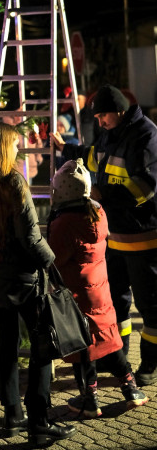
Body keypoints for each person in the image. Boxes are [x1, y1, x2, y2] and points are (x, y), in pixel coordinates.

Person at [0, 121, 75, 446]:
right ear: (2, 148)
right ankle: (39, 423)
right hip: (21, 278)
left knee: (7, 345)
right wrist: (54, 263)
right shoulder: (11, 181)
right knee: (42, 347)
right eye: (15, 145)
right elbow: (30, 237)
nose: (19, 150)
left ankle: (12, 416)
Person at [50, 84, 157, 387]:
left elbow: (146, 187)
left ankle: (149, 364)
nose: (99, 123)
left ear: (119, 112)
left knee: (150, 306)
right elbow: (94, 157)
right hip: (116, 236)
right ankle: (117, 359)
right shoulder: (114, 133)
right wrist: (64, 150)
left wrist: (101, 193)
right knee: (116, 305)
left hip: (144, 237)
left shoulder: (146, 136)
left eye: (102, 117)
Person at [47, 159, 148, 417]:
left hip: (78, 295)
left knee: (83, 347)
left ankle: (89, 398)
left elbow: (54, 259)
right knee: (110, 340)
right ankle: (131, 389)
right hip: (101, 292)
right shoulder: (98, 212)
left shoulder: (64, 224)